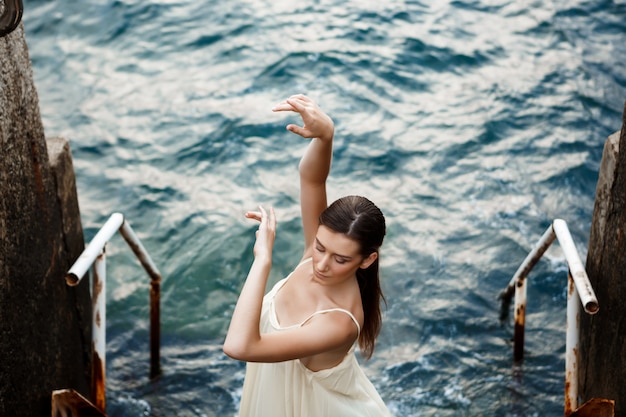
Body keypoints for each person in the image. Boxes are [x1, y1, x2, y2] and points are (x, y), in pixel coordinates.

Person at [223, 94, 391, 417]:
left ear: (367, 260)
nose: (321, 264)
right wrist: (326, 134)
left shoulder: (339, 323)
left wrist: (262, 261)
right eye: (319, 247)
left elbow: (239, 346)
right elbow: (312, 177)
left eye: (341, 260)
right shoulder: (318, 249)